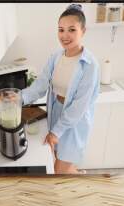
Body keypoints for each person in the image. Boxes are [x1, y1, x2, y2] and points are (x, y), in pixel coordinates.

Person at [21, 4, 100, 174]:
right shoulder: (55, 57)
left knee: (59, 171)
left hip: (74, 121)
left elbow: (79, 106)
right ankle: (76, 173)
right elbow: (40, 86)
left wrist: (56, 132)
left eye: (72, 30)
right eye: (61, 30)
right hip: (55, 111)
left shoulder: (90, 64)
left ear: (83, 31)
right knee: (57, 159)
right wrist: (19, 98)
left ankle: (76, 176)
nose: (65, 36)